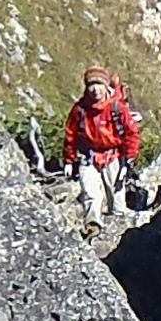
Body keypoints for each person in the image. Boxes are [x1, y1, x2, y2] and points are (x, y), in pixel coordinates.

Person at [65, 65, 142, 230]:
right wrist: (69, 160)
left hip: (113, 157)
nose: (95, 89)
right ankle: (93, 226)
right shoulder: (80, 109)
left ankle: (119, 229)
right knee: (91, 194)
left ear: (106, 85)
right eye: (91, 85)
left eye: (99, 84)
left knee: (116, 196)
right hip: (89, 158)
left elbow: (131, 134)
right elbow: (71, 134)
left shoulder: (117, 108)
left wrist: (128, 160)